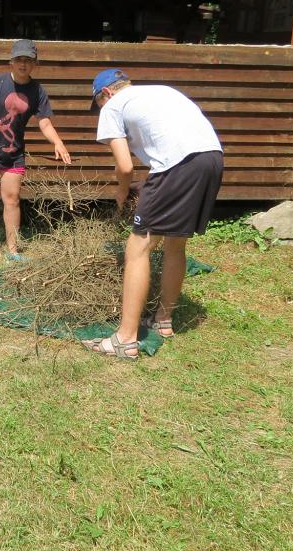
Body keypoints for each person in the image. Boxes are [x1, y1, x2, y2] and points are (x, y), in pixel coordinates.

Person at [86, 68, 223, 360]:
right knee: (175, 243)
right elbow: (173, 147)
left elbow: (125, 166)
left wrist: (122, 191)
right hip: (212, 159)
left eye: (98, 103)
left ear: (106, 93)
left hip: (179, 167)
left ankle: (125, 340)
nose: (100, 109)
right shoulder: (161, 92)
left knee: (137, 247)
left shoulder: (113, 105)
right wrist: (149, 183)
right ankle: (162, 320)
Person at [0, 38, 71, 265]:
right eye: (19, 59)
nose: (23, 64)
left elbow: (44, 121)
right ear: (11, 62)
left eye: (28, 60)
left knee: (12, 199)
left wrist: (57, 142)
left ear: (34, 63)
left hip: (13, 154)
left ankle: (12, 251)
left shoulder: (37, 91)